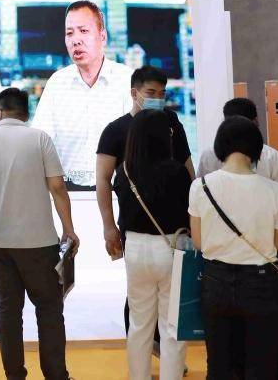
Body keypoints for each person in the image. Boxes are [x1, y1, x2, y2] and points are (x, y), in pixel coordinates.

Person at [0, 87, 75, 380]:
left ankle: (14, 375)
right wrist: (69, 228)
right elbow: (57, 187)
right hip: (40, 244)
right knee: (49, 310)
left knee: (8, 311)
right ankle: (56, 375)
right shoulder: (40, 139)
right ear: (26, 113)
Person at [199, 97, 278, 380]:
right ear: (256, 126)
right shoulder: (272, 176)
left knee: (220, 359)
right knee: (263, 355)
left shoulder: (202, 180)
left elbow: (199, 240)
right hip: (262, 271)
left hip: (216, 275)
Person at [113, 109, 191, 380]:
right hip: (170, 247)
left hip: (135, 248)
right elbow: (187, 212)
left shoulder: (123, 172)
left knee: (139, 323)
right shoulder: (177, 172)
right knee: (172, 325)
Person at [31, 0, 135, 187]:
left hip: (118, 193)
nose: (76, 40)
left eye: (84, 31)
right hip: (69, 192)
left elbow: (142, 144)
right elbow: (39, 142)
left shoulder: (127, 80)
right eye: (69, 33)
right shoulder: (57, 83)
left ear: (102, 36)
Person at [96, 66, 195, 261]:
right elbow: (103, 179)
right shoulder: (115, 130)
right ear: (134, 93)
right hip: (134, 224)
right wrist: (108, 226)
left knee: (177, 278)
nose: (158, 99)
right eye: (151, 93)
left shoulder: (172, 122)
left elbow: (187, 165)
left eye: (162, 93)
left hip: (175, 225)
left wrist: (195, 216)